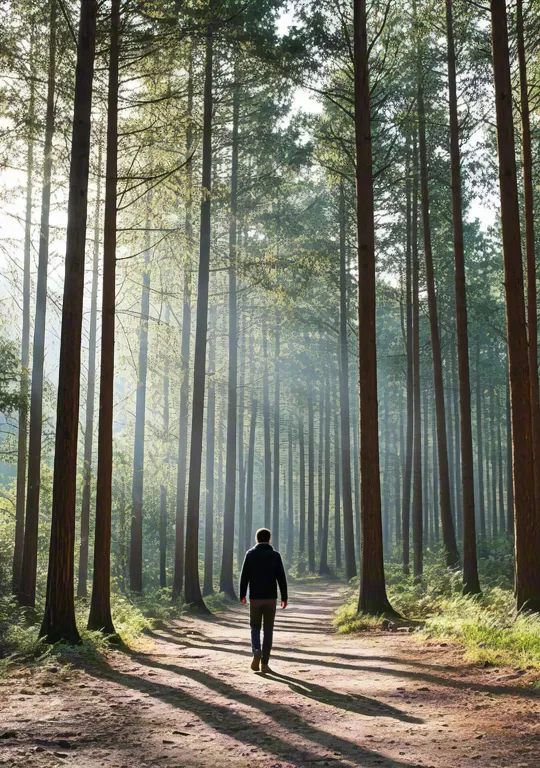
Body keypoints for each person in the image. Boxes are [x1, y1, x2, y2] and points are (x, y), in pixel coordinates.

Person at [239, 528, 288, 673]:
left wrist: (242, 595)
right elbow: (281, 578)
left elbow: (244, 576)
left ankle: (256, 650)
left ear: (257, 539)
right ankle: (265, 664)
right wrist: (284, 597)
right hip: (271, 598)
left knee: (255, 627)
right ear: (269, 539)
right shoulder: (275, 555)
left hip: (255, 597)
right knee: (268, 630)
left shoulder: (250, 554)